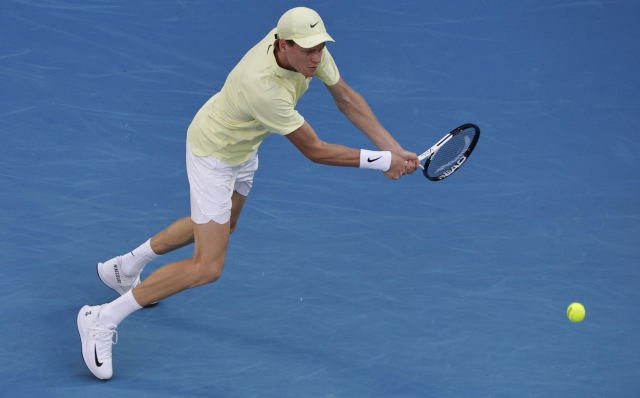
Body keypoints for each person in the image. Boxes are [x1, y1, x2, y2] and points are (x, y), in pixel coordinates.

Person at [77, 6, 419, 380]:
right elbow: (314, 149)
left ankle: (125, 266)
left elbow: (346, 98)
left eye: (320, 47)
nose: (316, 57)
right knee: (208, 266)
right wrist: (381, 161)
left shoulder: (306, 47)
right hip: (214, 155)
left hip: (243, 149)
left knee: (226, 226)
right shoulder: (263, 86)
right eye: (308, 50)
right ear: (283, 44)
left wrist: (393, 149)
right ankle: (101, 318)